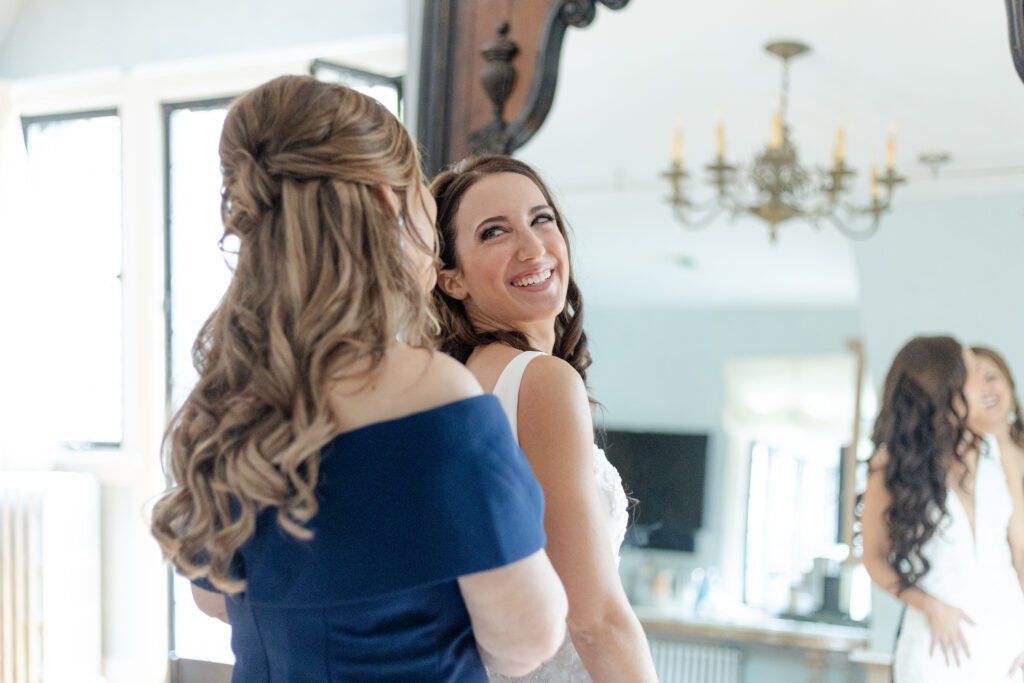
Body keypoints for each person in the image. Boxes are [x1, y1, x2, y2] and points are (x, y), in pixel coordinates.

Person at [149, 76, 568, 682]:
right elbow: (527, 639)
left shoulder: (225, 396)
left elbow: (213, 596)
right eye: (420, 188)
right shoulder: (436, 396)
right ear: (385, 200)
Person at [430, 155, 659, 682]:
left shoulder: (453, 381)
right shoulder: (540, 382)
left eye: (541, 219)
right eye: (494, 232)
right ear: (452, 279)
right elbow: (595, 619)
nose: (533, 248)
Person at [860, 336, 1024, 682]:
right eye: (972, 372)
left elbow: (1020, 548)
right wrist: (928, 605)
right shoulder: (891, 467)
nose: (983, 381)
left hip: (1009, 647)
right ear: (950, 390)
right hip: (938, 649)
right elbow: (874, 559)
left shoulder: (997, 451)